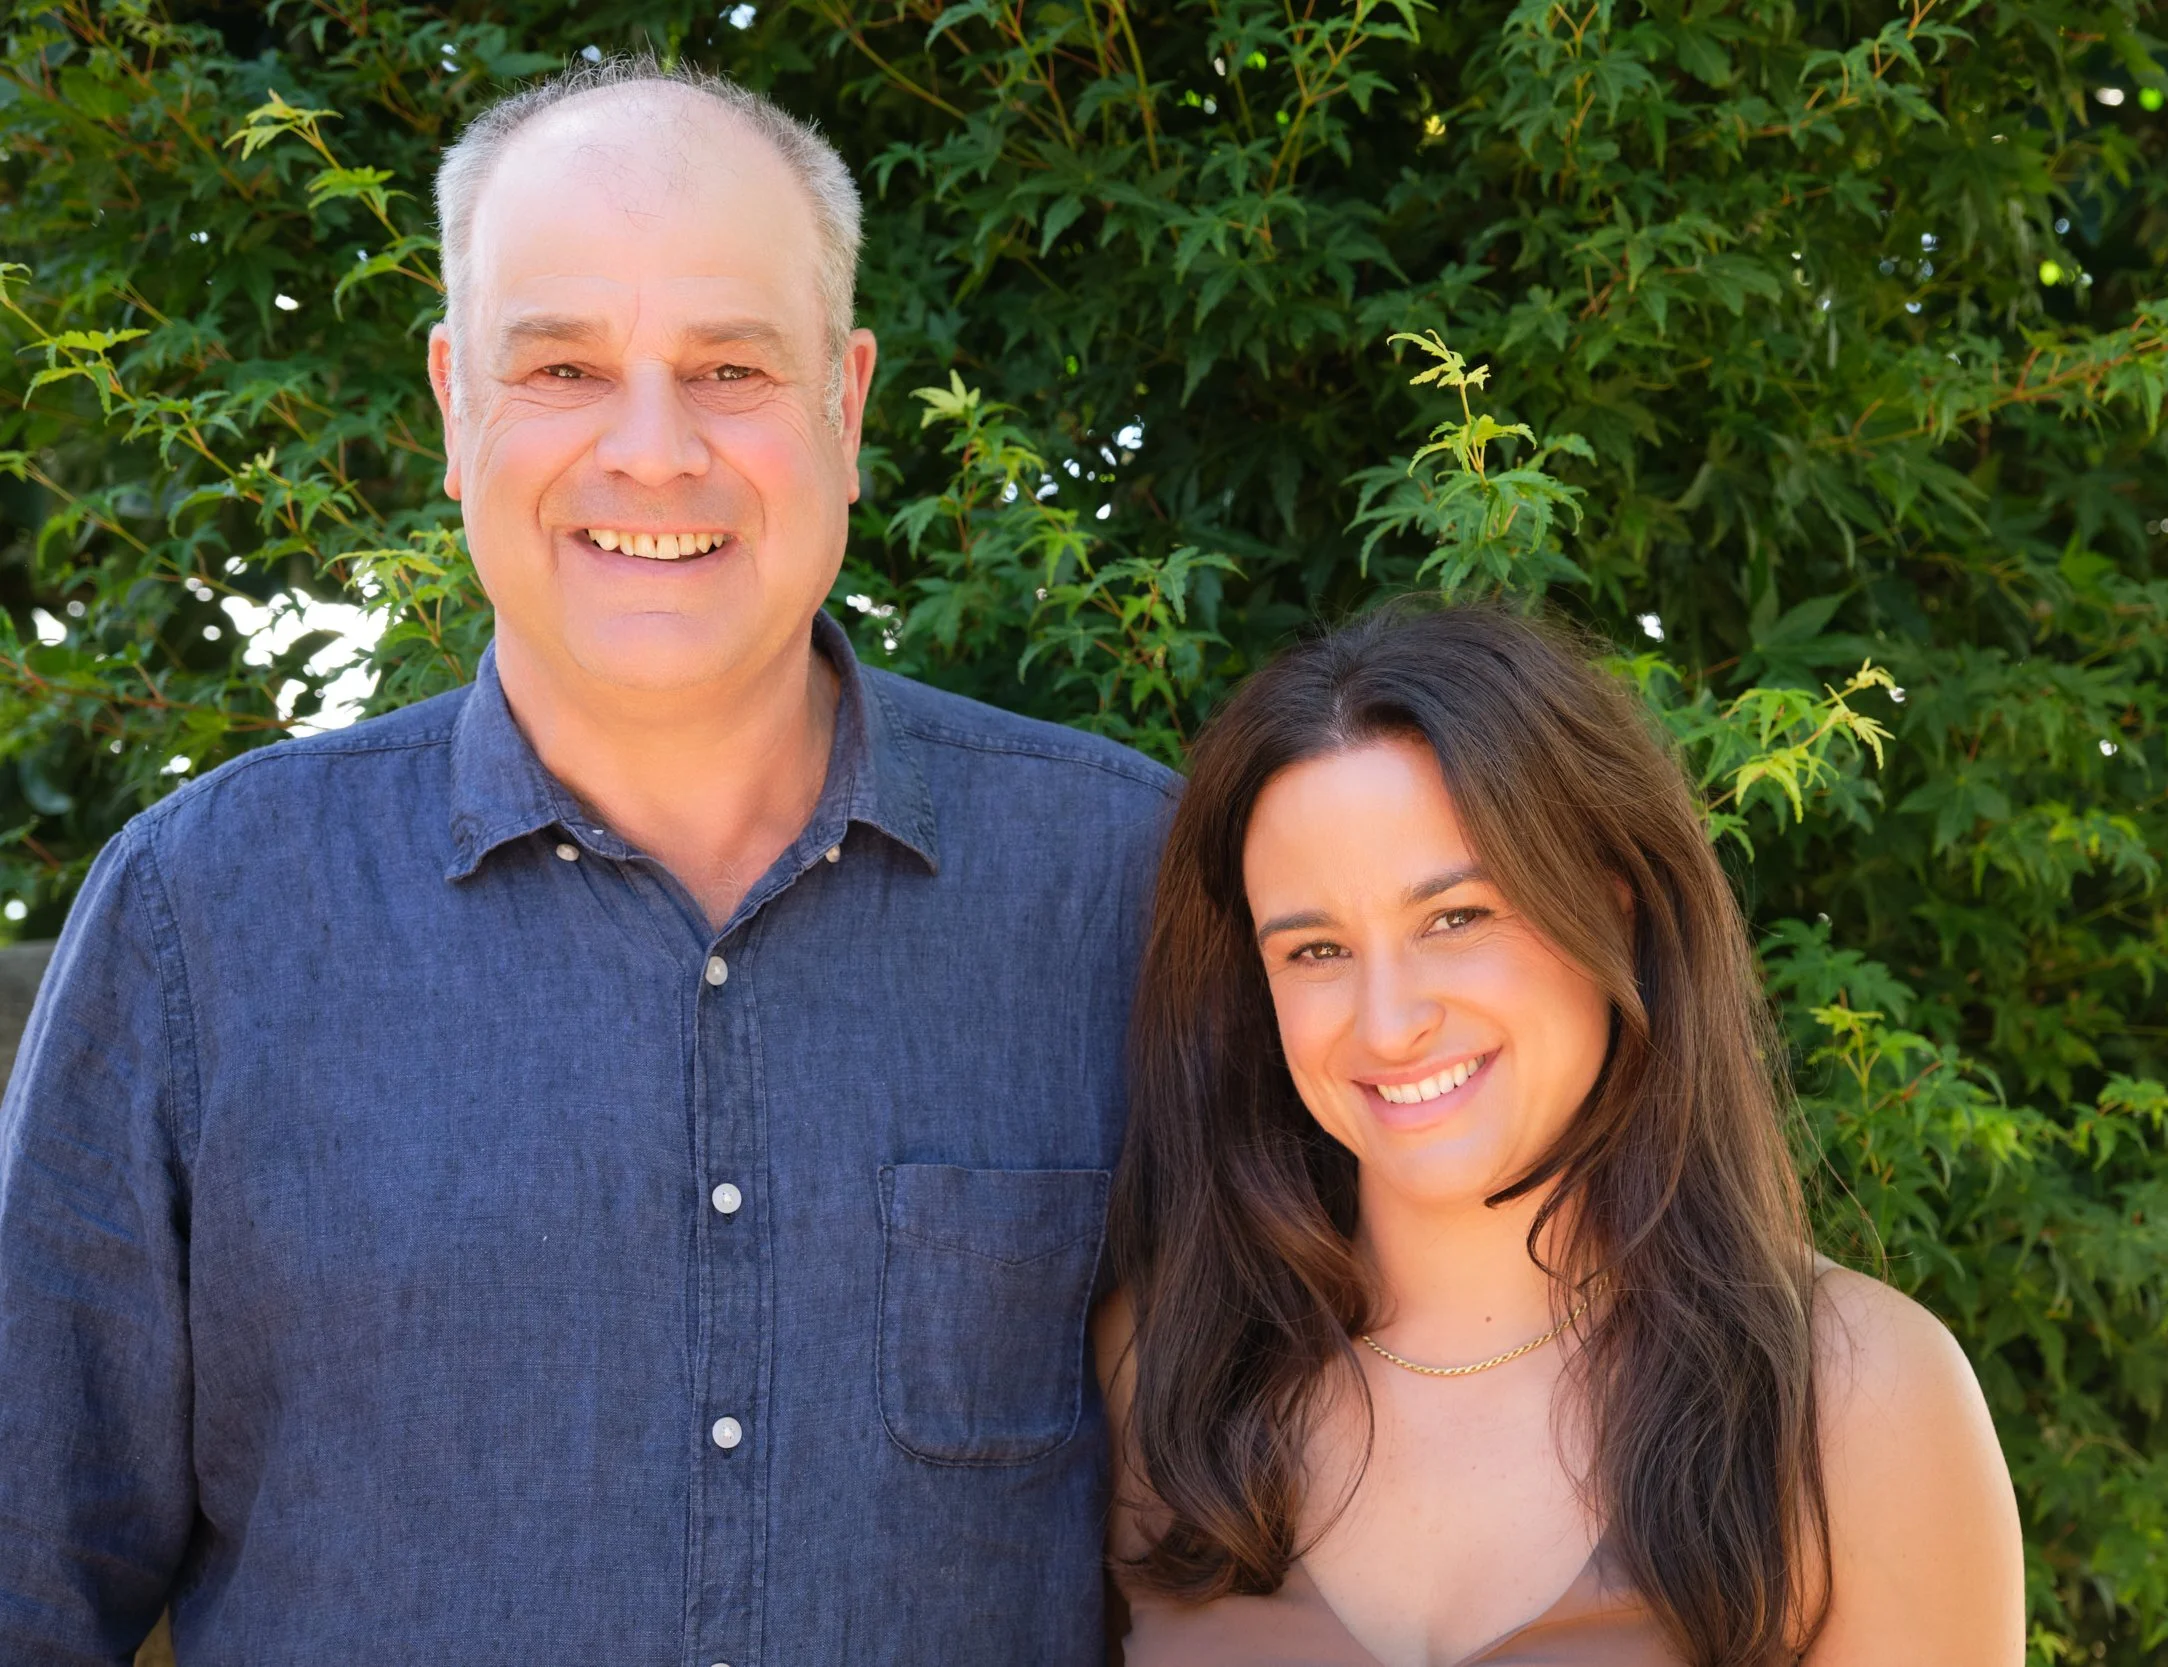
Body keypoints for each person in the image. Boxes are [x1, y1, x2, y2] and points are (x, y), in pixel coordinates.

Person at [0, 58, 1172, 1665]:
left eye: (729, 366)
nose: (651, 448)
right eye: (559, 365)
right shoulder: (199, 919)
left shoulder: (1127, 886)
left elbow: (1330, 1502)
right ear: (451, 402)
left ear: (846, 406)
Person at [1098, 605, 2024, 1666]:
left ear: (1616, 907)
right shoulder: (1161, 1367)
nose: (1389, 1019)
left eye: (1456, 918)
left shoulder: (1855, 1397)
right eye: (1315, 949)